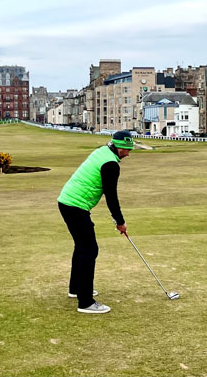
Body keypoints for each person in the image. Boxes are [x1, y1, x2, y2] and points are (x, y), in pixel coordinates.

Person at [57, 130, 134, 314]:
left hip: (67, 202)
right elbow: (111, 196)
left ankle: (76, 289)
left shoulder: (102, 151)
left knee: (82, 247)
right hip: (75, 206)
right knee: (89, 249)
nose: (129, 153)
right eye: (127, 149)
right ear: (119, 146)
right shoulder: (110, 164)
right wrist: (120, 221)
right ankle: (86, 302)